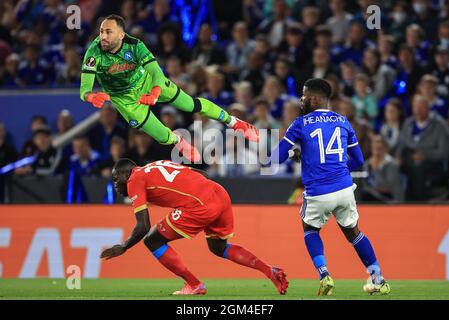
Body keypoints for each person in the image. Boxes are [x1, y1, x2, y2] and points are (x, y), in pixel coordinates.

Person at [80, 15, 259, 163]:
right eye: (102, 31)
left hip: (149, 82)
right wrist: (90, 96)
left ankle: (235, 122)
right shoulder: (94, 53)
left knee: (191, 105)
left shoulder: (135, 45)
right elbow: (84, 89)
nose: (103, 36)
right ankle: (178, 140)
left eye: (108, 32)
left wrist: (155, 92)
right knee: (155, 133)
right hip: (124, 98)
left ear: (121, 35)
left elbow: (156, 72)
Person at [270, 78, 390, 296]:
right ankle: (378, 278)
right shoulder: (343, 121)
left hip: (318, 192)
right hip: (345, 189)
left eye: (304, 95)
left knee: (310, 229)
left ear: (314, 99)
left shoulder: (300, 123)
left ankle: (325, 275)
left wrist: (292, 153)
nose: (301, 99)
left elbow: (274, 159)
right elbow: (359, 160)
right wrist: (337, 170)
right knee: (354, 234)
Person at [100, 159, 288, 295]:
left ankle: (194, 284)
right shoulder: (158, 164)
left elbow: (143, 226)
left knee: (152, 239)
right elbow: (201, 174)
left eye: (116, 179)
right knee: (218, 247)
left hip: (199, 205)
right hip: (218, 192)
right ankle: (270, 271)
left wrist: (123, 246)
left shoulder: (134, 180)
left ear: (127, 173)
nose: (115, 185)